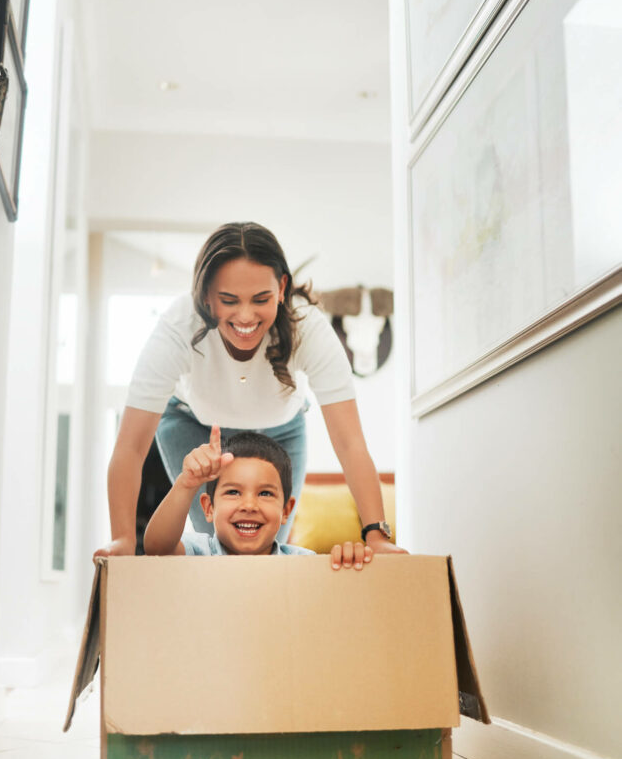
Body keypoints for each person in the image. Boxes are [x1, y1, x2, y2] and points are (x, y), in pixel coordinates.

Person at [94, 221, 406, 559]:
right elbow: (130, 448)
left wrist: (376, 536)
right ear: (206, 295)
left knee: (265, 547)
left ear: (282, 287)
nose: (245, 316)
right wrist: (123, 539)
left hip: (282, 428)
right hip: (192, 423)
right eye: (229, 300)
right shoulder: (178, 327)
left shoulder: (308, 327)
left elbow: (350, 443)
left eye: (261, 299)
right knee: (219, 540)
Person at [144, 427, 373, 570]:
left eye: (265, 493)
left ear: (286, 510)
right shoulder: (199, 552)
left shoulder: (302, 564)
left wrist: (349, 564)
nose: (249, 505)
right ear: (208, 507)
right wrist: (186, 484)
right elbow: (157, 546)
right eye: (233, 492)